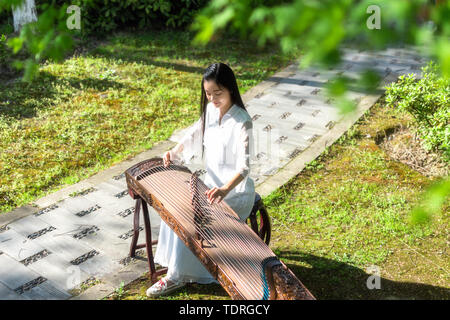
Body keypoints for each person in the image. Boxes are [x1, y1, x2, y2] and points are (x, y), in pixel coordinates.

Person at [146, 62, 255, 297]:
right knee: (173, 207)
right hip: (211, 186)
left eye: (218, 93)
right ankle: (175, 267)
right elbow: (193, 135)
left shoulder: (242, 121)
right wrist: (174, 152)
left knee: (190, 215)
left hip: (234, 192)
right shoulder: (210, 112)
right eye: (208, 94)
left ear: (231, 90)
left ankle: (176, 276)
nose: (213, 99)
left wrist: (225, 189)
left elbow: (244, 167)